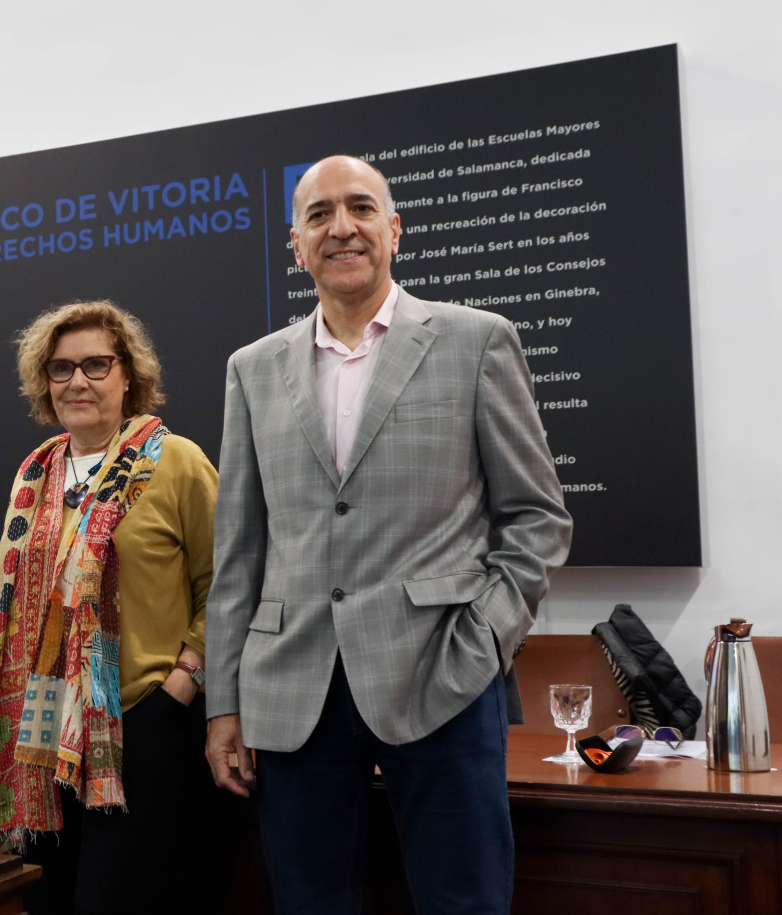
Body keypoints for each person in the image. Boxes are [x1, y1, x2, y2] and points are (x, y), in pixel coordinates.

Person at [205, 155, 573, 914]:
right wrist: (224, 703)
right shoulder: (252, 369)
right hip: (292, 690)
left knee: (463, 900)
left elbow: (537, 517)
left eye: (361, 208)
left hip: (442, 675)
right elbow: (239, 551)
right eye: (319, 215)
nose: (341, 227)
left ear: (394, 229)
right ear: (296, 244)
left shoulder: (477, 341)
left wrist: (487, 636)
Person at [0, 301, 229, 915]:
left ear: (127, 374)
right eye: (61, 368)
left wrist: (185, 678)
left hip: (141, 726)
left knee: (117, 900)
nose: (77, 382)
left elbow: (228, 581)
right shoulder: (36, 472)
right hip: (42, 733)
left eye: (95, 365)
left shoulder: (176, 461)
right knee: (49, 901)